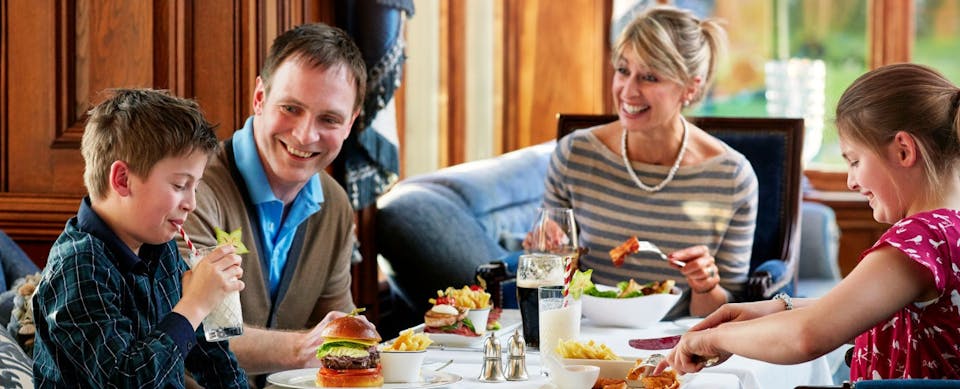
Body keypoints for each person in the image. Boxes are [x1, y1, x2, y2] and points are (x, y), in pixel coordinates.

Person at [659, 63, 960, 381]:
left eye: (855, 161)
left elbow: (807, 337)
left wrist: (709, 339)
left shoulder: (919, 238)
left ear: (903, 150)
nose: (851, 181)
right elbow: (869, 309)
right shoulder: (947, 231)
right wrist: (774, 309)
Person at [536, 6, 757, 318]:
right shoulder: (575, 154)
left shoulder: (732, 177)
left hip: (679, 345)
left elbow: (722, 313)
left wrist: (705, 286)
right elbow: (553, 281)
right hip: (583, 336)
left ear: (691, 87)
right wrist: (544, 250)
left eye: (649, 77)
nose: (628, 91)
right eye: (623, 70)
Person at [180, 22, 365, 383]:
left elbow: (339, 331)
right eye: (291, 108)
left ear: (350, 123)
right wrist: (303, 349)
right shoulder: (193, 190)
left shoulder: (336, 205)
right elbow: (195, 336)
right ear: (260, 98)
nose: (305, 135)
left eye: (329, 118)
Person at [32, 88, 248, 388]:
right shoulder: (77, 267)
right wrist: (195, 304)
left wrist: (208, 309)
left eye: (195, 186)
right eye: (180, 185)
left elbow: (209, 356)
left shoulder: (161, 247)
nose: (191, 203)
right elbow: (126, 380)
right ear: (122, 180)